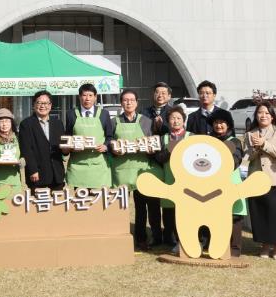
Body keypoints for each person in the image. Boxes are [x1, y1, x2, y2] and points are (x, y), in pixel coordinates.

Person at [110, 89, 163, 250]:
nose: (128, 103)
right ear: (121, 103)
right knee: (120, 207)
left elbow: (153, 143)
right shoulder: (114, 122)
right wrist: (113, 148)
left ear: (137, 103)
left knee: (142, 207)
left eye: (132, 100)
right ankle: (119, 236)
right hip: (121, 171)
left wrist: (151, 149)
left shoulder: (146, 121)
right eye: (125, 100)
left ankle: (142, 238)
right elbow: (109, 142)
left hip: (141, 170)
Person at [244, 103, 276, 260]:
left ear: (272, 116)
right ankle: (265, 246)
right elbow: (247, 156)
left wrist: (264, 144)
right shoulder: (249, 134)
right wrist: (255, 148)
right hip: (256, 179)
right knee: (260, 214)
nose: (263, 115)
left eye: (266, 113)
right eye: (260, 112)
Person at [208, 114, 246, 257]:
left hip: (231, 182)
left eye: (222, 122)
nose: (218, 126)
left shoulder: (234, 141)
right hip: (213, 184)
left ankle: (235, 248)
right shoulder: (208, 141)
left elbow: (236, 160)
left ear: (228, 125)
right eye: (216, 123)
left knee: (234, 215)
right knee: (216, 215)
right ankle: (217, 245)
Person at [64, 84, 113, 189]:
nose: (87, 98)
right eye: (84, 95)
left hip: (98, 165)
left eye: (90, 95)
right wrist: (71, 146)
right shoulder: (71, 114)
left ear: (95, 97)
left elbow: (110, 136)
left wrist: (105, 146)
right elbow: (68, 136)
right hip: (78, 165)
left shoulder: (104, 114)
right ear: (79, 97)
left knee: (98, 198)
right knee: (80, 198)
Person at [153, 106, 189, 247]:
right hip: (169, 178)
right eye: (172, 118)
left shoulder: (191, 136)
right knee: (169, 211)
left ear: (184, 121)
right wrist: (169, 150)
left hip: (188, 181)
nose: (176, 121)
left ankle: (186, 239)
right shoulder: (164, 138)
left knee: (186, 211)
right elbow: (158, 158)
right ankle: (170, 239)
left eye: (179, 118)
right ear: (168, 122)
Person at [18, 90, 65, 192]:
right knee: (38, 201)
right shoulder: (26, 124)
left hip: (57, 173)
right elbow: (26, 150)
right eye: (39, 103)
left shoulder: (58, 123)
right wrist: (32, 170)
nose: (43, 106)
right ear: (34, 105)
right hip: (37, 174)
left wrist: (67, 150)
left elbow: (62, 146)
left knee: (58, 201)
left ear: (50, 105)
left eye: (46, 103)